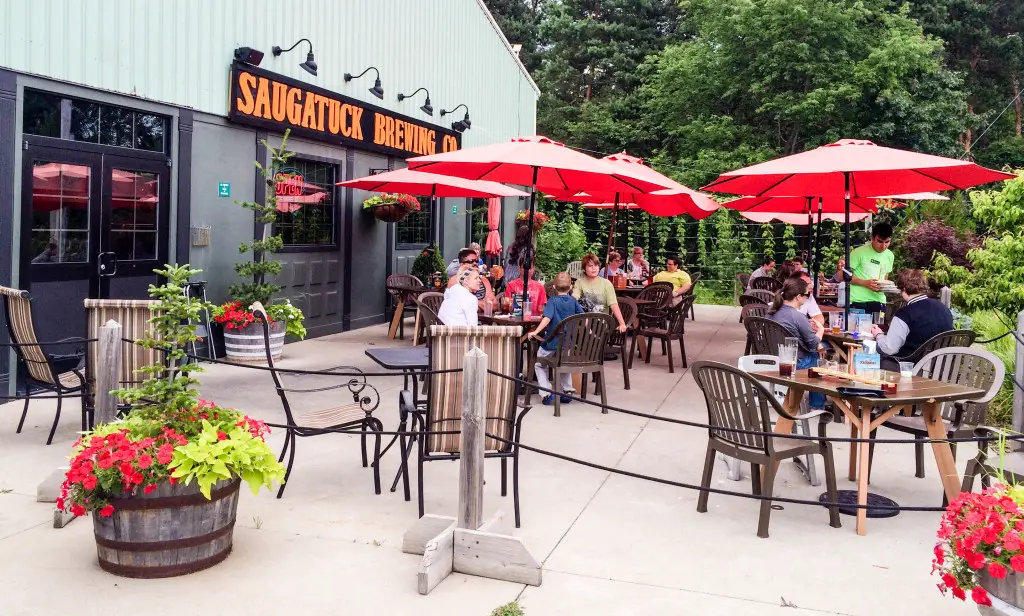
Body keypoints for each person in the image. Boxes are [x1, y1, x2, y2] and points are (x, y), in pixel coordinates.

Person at [871, 269, 953, 368]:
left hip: (909, 366)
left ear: (903, 288)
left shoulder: (905, 313)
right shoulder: (943, 308)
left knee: (869, 352)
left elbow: (890, 348)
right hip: (939, 366)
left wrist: (878, 335)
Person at [767, 277, 826, 409]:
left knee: (820, 350)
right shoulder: (798, 316)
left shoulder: (771, 312)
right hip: (792, 363)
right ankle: (817, 405)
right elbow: (812, 345)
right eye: (807, 295)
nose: (808, 297)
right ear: (799, 297)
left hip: (772, 358)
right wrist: (820, 330)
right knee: (819, 358)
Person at [527, 272, 584, 405]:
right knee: (563, 363)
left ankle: (546, 393)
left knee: (540, 364)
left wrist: (536, 331)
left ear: (553, 287)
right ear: (570, 287)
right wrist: (591, 331)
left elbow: (547, 319)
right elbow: (583, 317)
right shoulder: (573, 301)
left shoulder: (552, 301)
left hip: (551, 343)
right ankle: (567, 390)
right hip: (567, 345)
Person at [843, 222, 894, 316]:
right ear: (872, 238)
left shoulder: (890, 255)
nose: (883, 246)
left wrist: (885, 286)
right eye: (879, 241)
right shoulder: (858, 252)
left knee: (877, 330)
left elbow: (885, 277)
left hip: (879, 301)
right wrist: (865, 283)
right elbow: (843, 276)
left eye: (887, 242)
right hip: (858, 301)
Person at [572, 254, 628, 333]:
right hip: (583, 320)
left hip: (600, 321)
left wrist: (622, 323)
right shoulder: (580, 282)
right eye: (590, 266)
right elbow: (574, 297)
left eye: (596, 265)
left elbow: (614, 305)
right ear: (584, 268)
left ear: (599, 266)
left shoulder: (606, 283)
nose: (593, 268)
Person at [776, 260, 824, 333]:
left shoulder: (809, 297)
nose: (811, 286)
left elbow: (820, 318)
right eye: (807, 284)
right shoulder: (784, 296)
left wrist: (805, 324)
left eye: (811, 283)